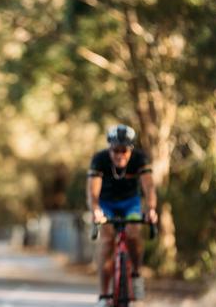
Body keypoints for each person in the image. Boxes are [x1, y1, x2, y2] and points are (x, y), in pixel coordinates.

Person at [86, 124, 158, 306]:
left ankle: (136, 273)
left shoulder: (140, 159)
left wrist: (150, 209)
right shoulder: (99, 160)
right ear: (109, 149)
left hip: (130, 203)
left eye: (123, 150)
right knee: (107, 241)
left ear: (130, 149)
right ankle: (104, 295)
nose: (119, 155)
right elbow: (93, 193)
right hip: (106, 204)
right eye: (115, 150)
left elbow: (149, 187)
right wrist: (96, 210)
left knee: (133, 233)